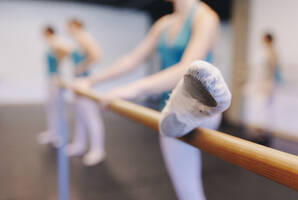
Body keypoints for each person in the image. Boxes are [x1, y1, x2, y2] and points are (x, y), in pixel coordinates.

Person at [75, 0, 231, 199]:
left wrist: (132, 89)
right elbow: (132, 60)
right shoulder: (164, 24)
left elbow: (184, 69)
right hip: (171, 111)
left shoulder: (206, 18)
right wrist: (91, 80)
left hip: (198, 109)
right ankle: (183, 110)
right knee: (187, 190)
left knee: (190, 88)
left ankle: (205, 102)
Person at [66, 19, 106, 166]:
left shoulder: (84, 37)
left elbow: (97, 54)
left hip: (85, 82)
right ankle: (80, 145)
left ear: (75, 26)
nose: (67, 30)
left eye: (68, 26)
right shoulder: (78, 40)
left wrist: (82, 67)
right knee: (80, 116)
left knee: (91, 117)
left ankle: (98, 150)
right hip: (78, 81)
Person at [38, 26, 71, 147]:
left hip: (57, 79)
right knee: (51, 107)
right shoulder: (51, 43)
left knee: (58, 108)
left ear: (48, 32)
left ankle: (61, 136)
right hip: (51, 78)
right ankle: (52, 133)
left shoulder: (55, 42)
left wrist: (59, 61)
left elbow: (68, 50)